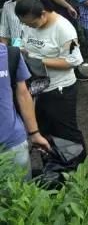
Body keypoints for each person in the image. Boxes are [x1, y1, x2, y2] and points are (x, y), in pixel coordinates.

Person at [15, 0, 86, 152]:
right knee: (44, 131)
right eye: (25, 23)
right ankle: (53, 163)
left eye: (32, 23)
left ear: (43, 14)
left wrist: (39, 61)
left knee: (66, 133)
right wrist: (16, 50)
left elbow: (74, 60)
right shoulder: (28, 23)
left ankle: (78, 164)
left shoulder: (64, 29)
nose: (29, 26)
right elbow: (19, 40)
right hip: (37, 88)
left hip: (60, 89)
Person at [0, 43, 51, 178]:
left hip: (12, 143)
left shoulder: (11, 54)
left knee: (21, 190)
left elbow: (23, 94)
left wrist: (34, 133)